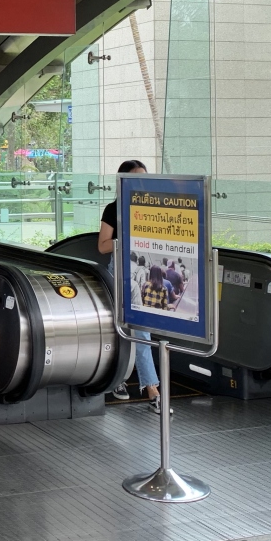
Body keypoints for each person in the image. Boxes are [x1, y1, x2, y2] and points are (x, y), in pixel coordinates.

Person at [100, 160, 165, 410]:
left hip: (143, 275)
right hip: (120, 274)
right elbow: (103, 246)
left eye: (145, 178)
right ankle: (133, 383)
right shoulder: (114, 209)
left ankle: (150, 388)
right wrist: (127, 237)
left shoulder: (152, 207)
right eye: (136, 178)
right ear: (123, 181)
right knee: (121, 330)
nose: (142, 183)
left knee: (141, 330)